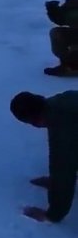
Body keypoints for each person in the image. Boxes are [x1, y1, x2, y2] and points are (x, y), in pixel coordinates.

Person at [9, 91, 78, 223]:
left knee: (66, 159)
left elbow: (63, 169)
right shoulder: (58, 102)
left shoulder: (62, 127)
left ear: (35, 122)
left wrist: (53, 214)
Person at [44, 0, 78, 77]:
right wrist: (53, 11)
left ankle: (73, 64)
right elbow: (61, 21)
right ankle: (66, 64)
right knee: (56, 33)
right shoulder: (71, 3)